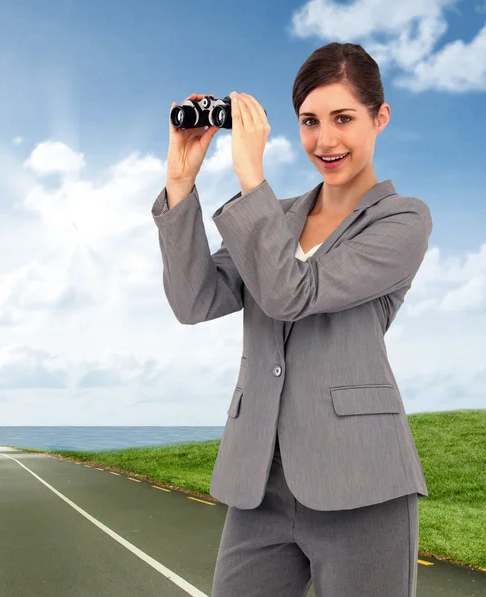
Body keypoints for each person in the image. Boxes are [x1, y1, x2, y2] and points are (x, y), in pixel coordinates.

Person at [151, 42, 430, 597]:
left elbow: (291, 294)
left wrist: (251, 176)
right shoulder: (276, 218)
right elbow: (194, 301)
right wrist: (181, 183)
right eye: (310, 122)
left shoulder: (401, 220)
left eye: (343, 119)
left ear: (381, 118)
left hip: (361, 484)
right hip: (259, 482)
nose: (325, 141)